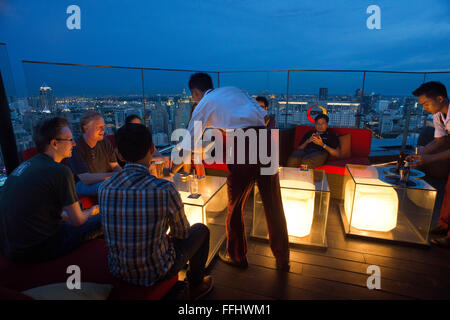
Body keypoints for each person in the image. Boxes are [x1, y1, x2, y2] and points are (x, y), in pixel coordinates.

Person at [174, 73, 290, 271]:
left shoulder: (204, 102)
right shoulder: (235, 91)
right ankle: (282, 258)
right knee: (273, 202)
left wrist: (171, 167)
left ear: (195, 92)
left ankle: (237, 256)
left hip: (243, 144)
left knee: (235, 205)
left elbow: (189, 141)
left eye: (192, 95)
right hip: (265, 140)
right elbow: (267, 117)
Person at [99, 123, 213, 299]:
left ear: (119, 154)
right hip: (157, 271)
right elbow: (182, 233)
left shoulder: (104, 187)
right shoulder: (164, 188)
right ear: (152, 149)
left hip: (118, 270)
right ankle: (196, 284)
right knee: (201, 230)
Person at [0, 117, 102, 263]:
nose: (73, 144)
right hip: (36, 249)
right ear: (54, 143)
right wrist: (93, 211)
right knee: (108, 216)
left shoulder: (26, 165)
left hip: (10, 248)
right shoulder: (59, 170)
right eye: (70, 140)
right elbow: (78, 221)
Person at [407, 81, 450, 248]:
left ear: (440, 98)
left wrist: (428, 159)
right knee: (448, 190)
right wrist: (418, 155)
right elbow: (439, 141)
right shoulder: (438, 115)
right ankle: (444, 225)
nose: (424, 108)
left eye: (426, 103)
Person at [66, 112, 122, 196]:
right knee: (107, 186)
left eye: (103, 126)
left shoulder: (105, 142)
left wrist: (124, 176)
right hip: (82, 185)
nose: (103, 130)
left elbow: (115, 166)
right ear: (86, 128)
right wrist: (115, 175)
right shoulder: (76, 147)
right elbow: (85, 179)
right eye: (99, 127)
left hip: (105, 180)